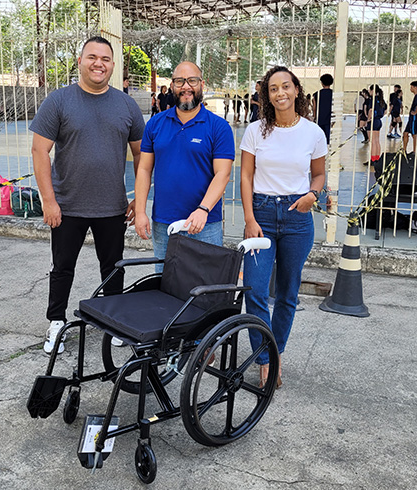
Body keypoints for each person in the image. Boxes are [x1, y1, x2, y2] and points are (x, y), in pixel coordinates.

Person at [30, 36, 145, 354]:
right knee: (62, 267)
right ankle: (56, 322)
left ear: (113, 65)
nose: (99, 63)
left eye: (105, 59)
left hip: (112, 206)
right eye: (92, 57)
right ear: (80, 61)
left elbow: (142, 154)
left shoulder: (126, 105)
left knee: (113, 267)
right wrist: (49, 201)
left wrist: (139, 198)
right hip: (67, 206)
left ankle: (115, 321)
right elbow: (40, 151)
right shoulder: (59, 101)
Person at [240, 65, 327, 388]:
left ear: (296, 90)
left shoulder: (313, 133)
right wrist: (249, 218)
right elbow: (245, 176)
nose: (280, 93)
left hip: (297, 217)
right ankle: (264, 358)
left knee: (288, 294)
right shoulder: (255, 131)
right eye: (273, 88)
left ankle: (276, 353)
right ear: (267, 95)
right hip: (261, 213)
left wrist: (312, 195)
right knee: (255, 290)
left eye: (286, 86)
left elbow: (319, 174)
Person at [134, 61, 234, 269]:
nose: (186, 87)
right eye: (180, 81)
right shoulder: (155, 124)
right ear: (172, 86)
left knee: (206, 283)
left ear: (202, 84)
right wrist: (141, 211)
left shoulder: (219, 127)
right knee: (164, 282)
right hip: (164, 223)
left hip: (205, 223)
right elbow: (144, 169)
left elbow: (222, 174)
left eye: (192, 81)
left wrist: (203, 209)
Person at [365, 84, 386, 165]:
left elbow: (371, 110)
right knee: (377, 141)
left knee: (373, 142)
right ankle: (377, 158)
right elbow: (385, 110)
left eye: (370, 90)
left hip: (373, 121)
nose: (369, 92)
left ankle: (373, 160)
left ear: (373, 91)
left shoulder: (372, 99)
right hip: (378, 121)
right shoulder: (381, 100)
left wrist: (368, 119)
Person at [311, 73, 333, 144]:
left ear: (322, 83)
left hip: (320, 119)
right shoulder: (333, 94)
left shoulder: (317, 94)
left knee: (320, 139)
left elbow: (314, 107)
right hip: (330, 119)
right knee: (329, 140)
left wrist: (314, 117)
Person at [402, 81, 417, 154]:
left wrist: (415, 112)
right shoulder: (416, 96)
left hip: (414, 118)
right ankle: (404, 150)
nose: (410, 89)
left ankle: (414, 151)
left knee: (414, 134)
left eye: (411, 87)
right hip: (411, 119)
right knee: (405, 133)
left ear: (415, 87)